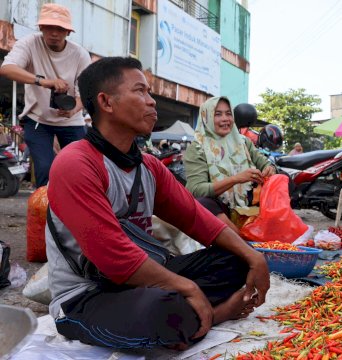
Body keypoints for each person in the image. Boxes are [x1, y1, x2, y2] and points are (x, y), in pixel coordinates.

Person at [46, 57, 269, 350]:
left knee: (235, 258)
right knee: (164, 308)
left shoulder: (149, 166)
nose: (151, 102)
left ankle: (189, 315)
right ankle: (211, 315)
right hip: (88, 294)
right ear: (106, 102)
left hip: (144, 276)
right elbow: (114, 259)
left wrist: (255, 258)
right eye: (140, 91)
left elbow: (196, 219)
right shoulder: (76, 163)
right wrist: (186, 287)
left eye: (150, 92)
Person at [0, 3, 91, 187]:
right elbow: (7, 68)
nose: (54, 33)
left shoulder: (80, 54)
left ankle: (74, 209)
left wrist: (74, 109)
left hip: (71, 122)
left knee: (82, 169)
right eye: (49, 27)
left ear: (68, 32)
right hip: (38, 120)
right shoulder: (30, 43)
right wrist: (43, 81)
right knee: (45, 169)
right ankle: (45, 212)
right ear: (41, 27)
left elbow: (86, 92)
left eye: (60, 28)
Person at [184, 97, 277, 234]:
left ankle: (262, 236)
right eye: (218, 114)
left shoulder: (243, 142)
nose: (225, 119)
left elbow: (264, 163)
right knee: (203, 204)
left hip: (248, 203)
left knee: (283, 180)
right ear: (206, 117)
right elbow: (196, 189)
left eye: (228, 114)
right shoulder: (198, 148)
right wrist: (235, 179)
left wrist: (269, 169)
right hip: (220, 211)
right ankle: (242, 242)